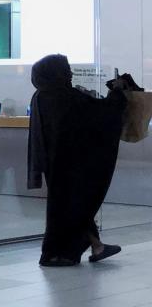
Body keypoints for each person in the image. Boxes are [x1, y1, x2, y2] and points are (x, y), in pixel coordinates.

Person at [28, 54, 127, 267]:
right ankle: (58, 253)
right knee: (77, 205)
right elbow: (99, 114)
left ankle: (95, 245)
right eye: (66, 70)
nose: (70, 73)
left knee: (72, 206)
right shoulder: (63, 97)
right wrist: (117, 93)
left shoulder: (41, 96)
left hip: (58, 165)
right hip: (74, 166)